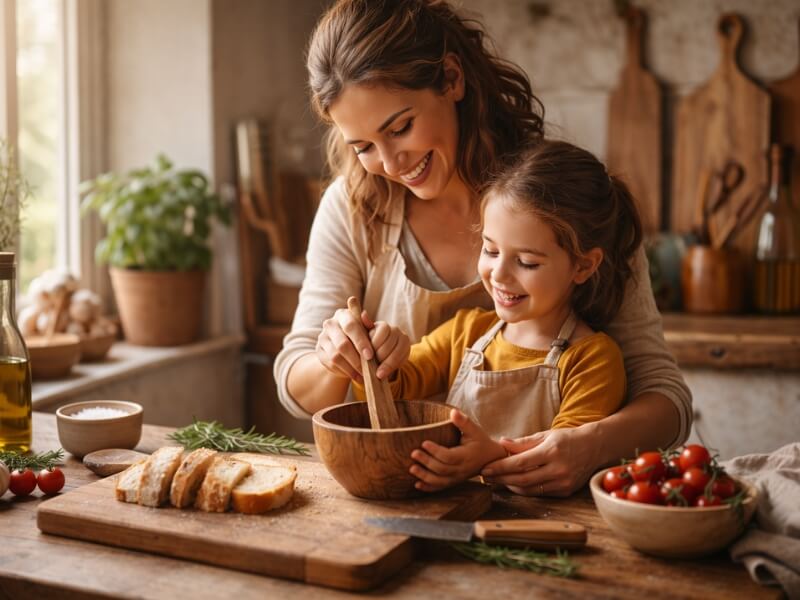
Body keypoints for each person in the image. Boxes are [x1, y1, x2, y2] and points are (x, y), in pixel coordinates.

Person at [274, 0, 692, 496]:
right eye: (362, 146)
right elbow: (295, 387)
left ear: (451, 78)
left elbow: (665, 397)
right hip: (401, 498)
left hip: (546, 510)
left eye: (400, 127)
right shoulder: (353, 206)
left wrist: (589, 444)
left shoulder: (561, 198)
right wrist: (335, 358)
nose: (388, 162)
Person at [351, 140, 639, 492]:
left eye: (527, 262)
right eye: (490, 250)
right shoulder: (465, 331)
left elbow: (557, 458)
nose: (499, 274)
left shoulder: (592, 360)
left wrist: (490, 457)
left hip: (541, 532)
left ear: (583, 265)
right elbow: (396, 388)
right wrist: (378, 355)